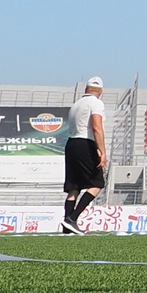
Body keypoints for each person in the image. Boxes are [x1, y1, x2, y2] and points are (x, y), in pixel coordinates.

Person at [63, 76, 109, 233]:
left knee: (74, 187)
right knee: (97, 184)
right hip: (85, 143)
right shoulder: (96, 103)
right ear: (100, 92)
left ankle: (67, 225)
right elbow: (96, 127)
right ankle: (73, 218)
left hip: (71, 143)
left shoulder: (76, 104)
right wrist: (102, 151)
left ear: (86, 89)